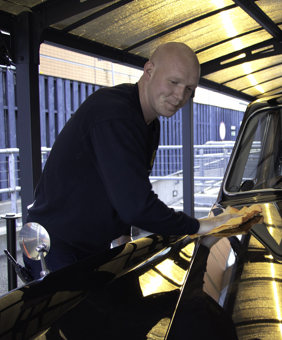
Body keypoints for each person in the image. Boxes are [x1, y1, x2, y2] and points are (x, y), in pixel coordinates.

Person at [23, 42, 236, 280]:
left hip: (93, 242)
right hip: (57, 245)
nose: (180, 96)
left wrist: (124, 239)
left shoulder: (149, 122)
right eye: (174, 82)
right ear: (149, 71)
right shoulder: (114, 114)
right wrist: (201, 226)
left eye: (189, 89)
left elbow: (124, 183)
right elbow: (137, 206)